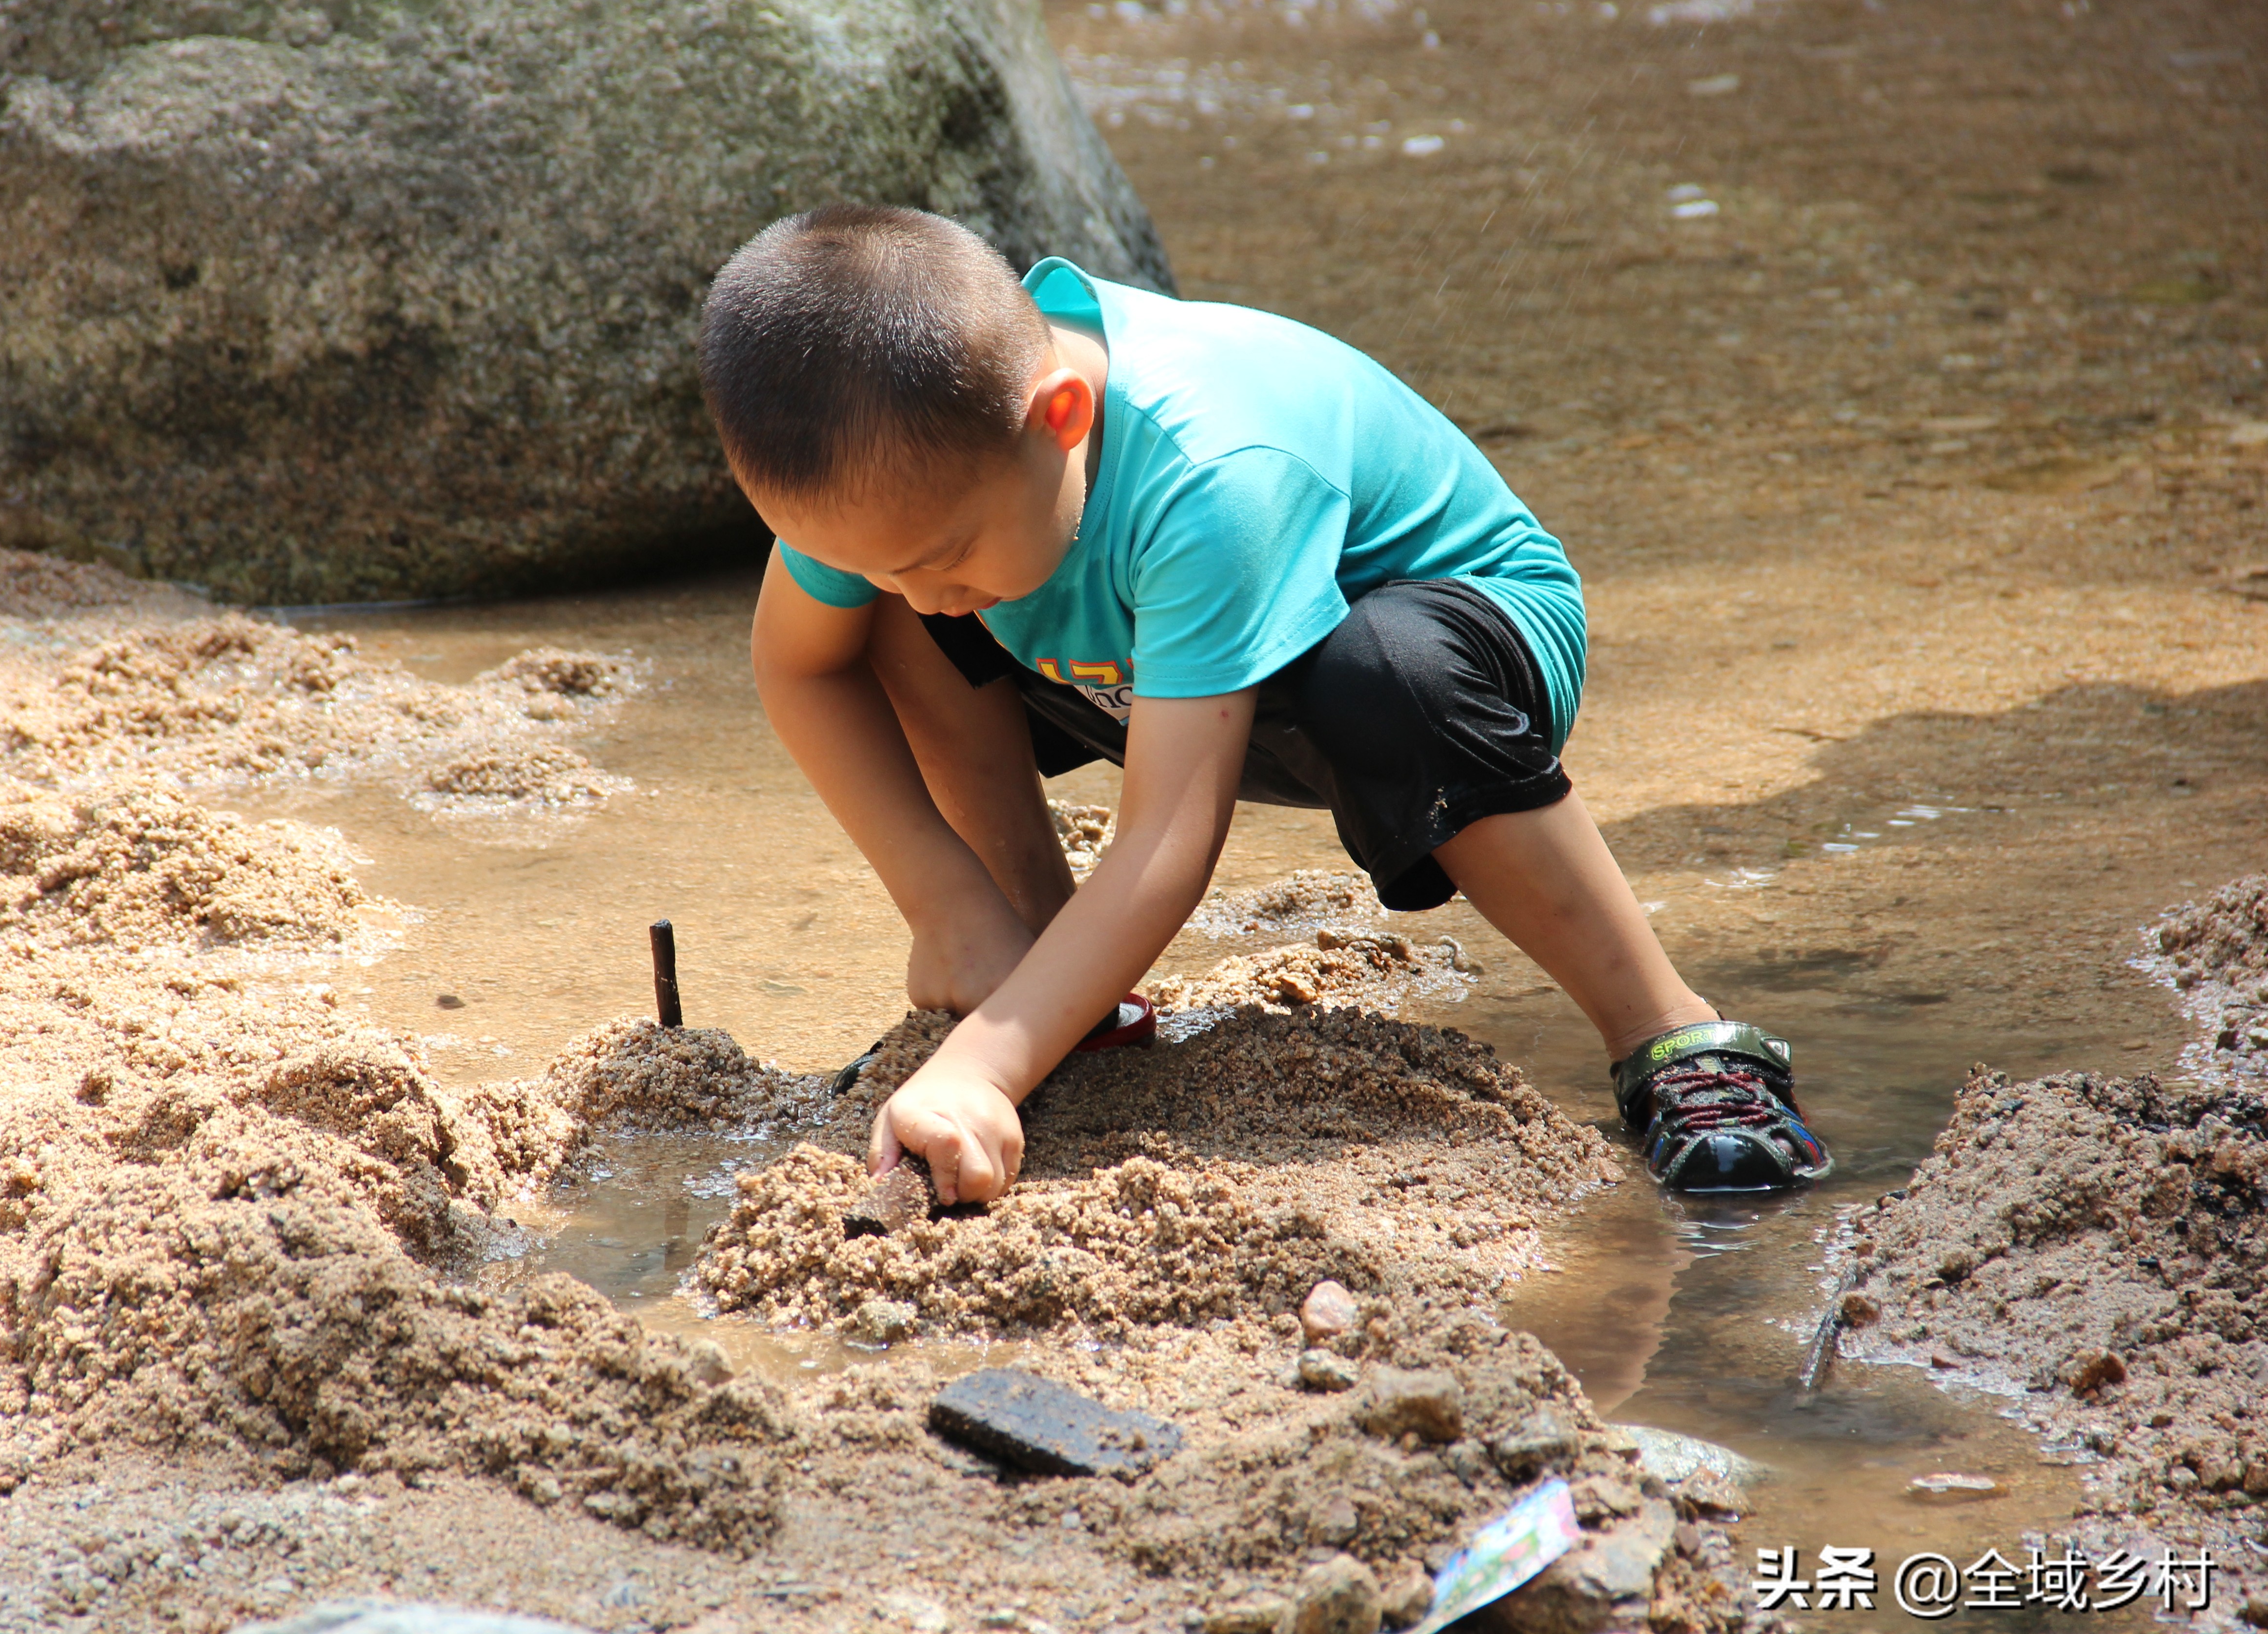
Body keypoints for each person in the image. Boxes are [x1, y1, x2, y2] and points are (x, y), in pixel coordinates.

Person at [697, 203, 1830, 1204]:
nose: (926, 591)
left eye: (943, 554)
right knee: (882, 626)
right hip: (1143, 668)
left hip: (1433, 652)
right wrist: (943, 899)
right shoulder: (907, 465)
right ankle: (1039, 966)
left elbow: (1168, 842)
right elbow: (801, 666)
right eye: (884, 561)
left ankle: (1669, 1032)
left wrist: (981, 1068)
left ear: (1062, 417)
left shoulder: (1214, 470)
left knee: (1380, 674)